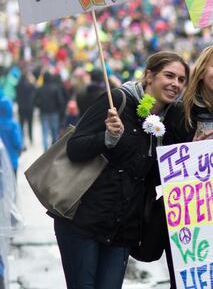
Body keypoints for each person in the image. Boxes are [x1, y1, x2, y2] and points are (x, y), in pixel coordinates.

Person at [54, 52, 189, 289]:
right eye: (169, 75)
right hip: (84, 222)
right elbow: (74, 148)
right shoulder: (117, 100)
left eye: (180, 79)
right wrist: (107, 138)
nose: (175, 84)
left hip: (122, 230)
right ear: (149, 76)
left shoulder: (170, 121)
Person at [163, 41, 213, 288]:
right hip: (190, 228)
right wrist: (191, 153)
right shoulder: (179, 112)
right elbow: (163, 170)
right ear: (202, 70)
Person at [35, 71, 66, 150]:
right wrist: (60, 110)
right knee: (54, 131)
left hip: (44, 112)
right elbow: (60, 101)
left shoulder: (40, 89)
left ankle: (45, 150)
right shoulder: (55, 88)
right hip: (54, 112)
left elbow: (35, 101)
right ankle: (54, 150)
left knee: (45, 132)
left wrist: (40, 106)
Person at [0, 98, 22, 177]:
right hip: (12, 161)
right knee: (12, 184)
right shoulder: (13, 125)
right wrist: (19, 150)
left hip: (1, 162)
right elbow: (17, 142)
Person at [15, 69, 35, 147]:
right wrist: (31, 78)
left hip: (21, 107)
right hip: (29, 107)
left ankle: (22, 139)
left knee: (21, 124)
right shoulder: (30, 86)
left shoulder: (17, 86)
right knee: (30, 124)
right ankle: (30, 138)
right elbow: (34, 86)